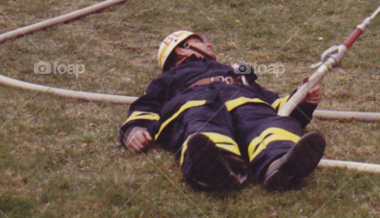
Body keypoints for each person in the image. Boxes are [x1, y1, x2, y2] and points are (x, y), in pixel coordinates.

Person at [120, 30, 326, 192]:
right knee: (202, 129)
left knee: (268, 123)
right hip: (197, 104)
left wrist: (303, 101)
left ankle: (281, 162)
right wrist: (135, 129)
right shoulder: (169, 78)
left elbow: (277, 105)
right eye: (200, 42)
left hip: (245, 102)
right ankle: (219, 167)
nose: (209, 45)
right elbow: (147, 105)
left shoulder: (237, 74)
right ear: (181, 49)